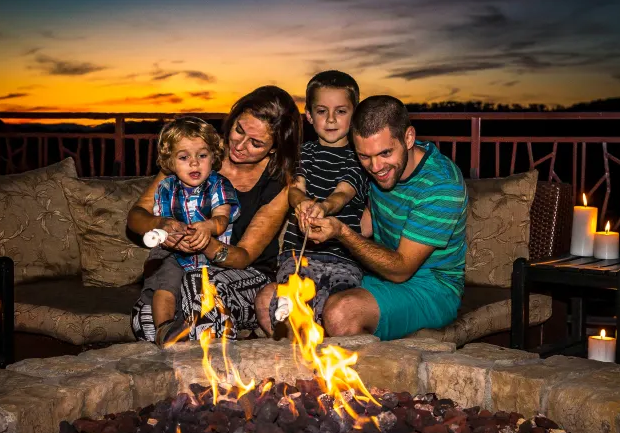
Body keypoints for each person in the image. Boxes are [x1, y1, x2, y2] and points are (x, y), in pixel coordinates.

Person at [127, 85, 301, 343]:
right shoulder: (196, 151)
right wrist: (162, 224)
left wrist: (205, 242)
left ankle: (215, 366)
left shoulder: (277, 183)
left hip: (245, 276)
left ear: (274, 148)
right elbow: (136, 216)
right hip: (180, 266)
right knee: (146, 321)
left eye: (256, 143)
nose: (239, 145)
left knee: (199, 285)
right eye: (239, 130)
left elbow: (243, 256)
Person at [305, 95, 468, 341]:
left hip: (433, 287)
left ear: (409, 138)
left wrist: (341, 232)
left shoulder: (442, 185)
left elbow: (401, 270)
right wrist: (320, 223)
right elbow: (371, 218)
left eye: (385, 153)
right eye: (364, 156)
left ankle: (372, 367)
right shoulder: (384, 165)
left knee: (341, 314)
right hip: (379, 274)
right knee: (292, 300)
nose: (375, 166)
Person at [255, 70, 367, 334]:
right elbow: (295, 189)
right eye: (321, 111)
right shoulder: (303, 153)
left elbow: (343, 193)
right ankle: (293, 339)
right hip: (298, 254)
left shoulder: (360, 156)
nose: (331, 119)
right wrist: (302, 202)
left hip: (343, 257)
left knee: (337, 303)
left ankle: (323, 345)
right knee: (280, 296)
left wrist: (324, 207)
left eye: (341, 111)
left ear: (354, 115)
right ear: (309, 116)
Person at [130, 116, 240, 343]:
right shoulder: (165, 187)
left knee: (203, 290)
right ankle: (164, 330)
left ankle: (206, 332)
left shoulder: (218, 184)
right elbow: (160, 219)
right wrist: (165, 231)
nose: (194, 163)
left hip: (209, 257)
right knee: (165, 284)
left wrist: (208, 227)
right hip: (172, 252)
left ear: (214, 157)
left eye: (202, 155)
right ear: (170, 162)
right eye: (183, 157)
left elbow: (222, 218)